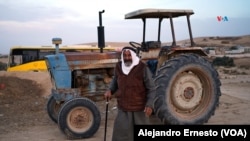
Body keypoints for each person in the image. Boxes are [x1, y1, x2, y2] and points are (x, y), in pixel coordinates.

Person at [104, 46, 157, 141]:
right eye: (125, 55)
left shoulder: (142, 68)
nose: (127, 57)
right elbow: (115, 81)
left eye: (129, 55)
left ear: (133, 55)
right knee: (121, 136)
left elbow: (151, 88)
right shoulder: (119, 66)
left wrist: (150, 105)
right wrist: (110, 90)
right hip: (123, 108)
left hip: (140, 109)